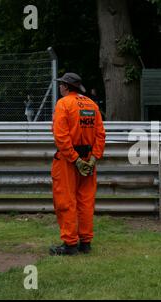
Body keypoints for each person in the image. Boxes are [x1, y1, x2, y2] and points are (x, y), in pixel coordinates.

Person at [49, 72, 106, 256]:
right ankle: (85, 242)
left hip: (68, 161)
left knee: (66, 201)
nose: (60, 87)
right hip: (89, 160)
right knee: (86, 202)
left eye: (61, 85)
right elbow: (100, 135)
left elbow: (61, 136)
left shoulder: (63, 104)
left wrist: (75, 159)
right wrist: (93, 158)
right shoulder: (91, 104)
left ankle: (70, 245)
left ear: (66, 87)